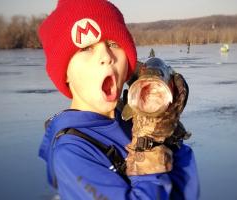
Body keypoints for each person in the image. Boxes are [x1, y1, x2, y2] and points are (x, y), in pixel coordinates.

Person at [38, 0, 200, 199]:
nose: (106, 56)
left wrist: (170, 135)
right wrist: (147, 148)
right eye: (86, 48)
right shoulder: (71, 152)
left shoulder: (132, 120)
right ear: (65, 74)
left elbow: (187, 192)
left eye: (113, 44)